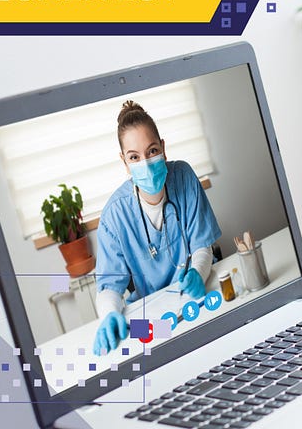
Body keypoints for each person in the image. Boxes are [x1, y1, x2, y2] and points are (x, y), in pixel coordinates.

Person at [92, 101, 222, 355]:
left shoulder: (183, 177)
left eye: (152, 151)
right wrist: (108, 314)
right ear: (124, 162)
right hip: (152, 317)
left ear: (163, 147)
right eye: (134, 157)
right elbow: (110, 286)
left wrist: (198, 272)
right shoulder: (114, 216)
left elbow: (201, 246)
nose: (145, 163)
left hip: (192, 300)